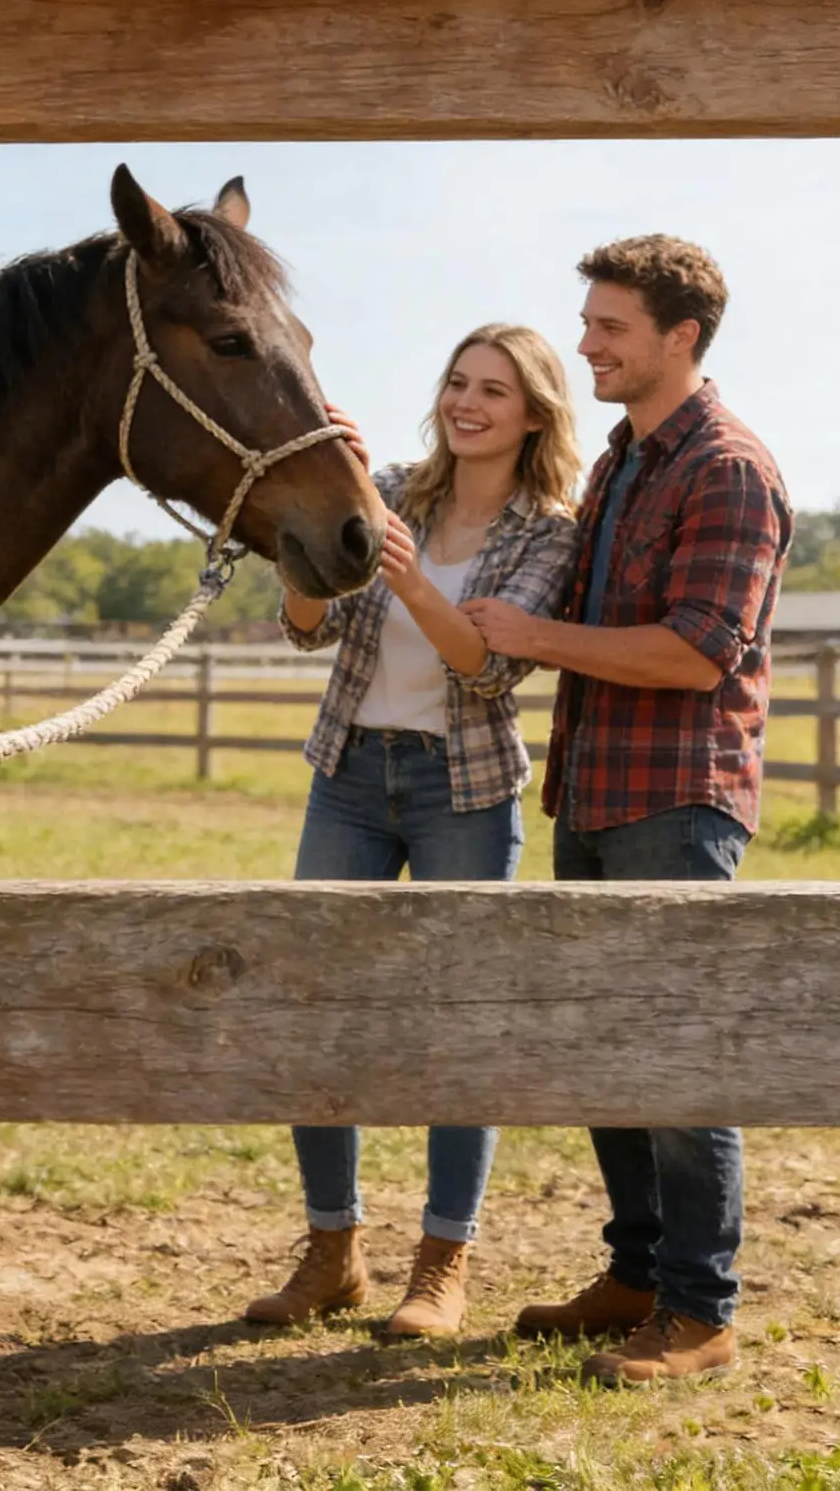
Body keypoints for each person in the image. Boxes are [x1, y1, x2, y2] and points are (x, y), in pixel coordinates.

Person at [463, 236, 792, 1384]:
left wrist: (537, 638)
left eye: (609, 327)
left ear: (679, 338)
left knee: (679, 1052)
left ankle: (699, 1310)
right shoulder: (618, 458)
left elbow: (699, 652)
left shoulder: (726, 468)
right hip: (593, 792)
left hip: (675, 799)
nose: (586, 344)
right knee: (607, 1046)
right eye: (588, 322)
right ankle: (638, 1272)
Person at [248, 325, 582, 1340]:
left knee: (460, 1027)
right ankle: (330, 1249)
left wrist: (405, 575)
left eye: (492, 388)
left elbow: (483, 667)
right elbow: (306, 624)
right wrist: (318, 521)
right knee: (315, 1008)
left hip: (463, 789)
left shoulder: (544, 531)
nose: (465, 401)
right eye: (454, 380)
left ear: (531, 412)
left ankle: (440, 1263)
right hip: (350, 775)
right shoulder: (389, 487)